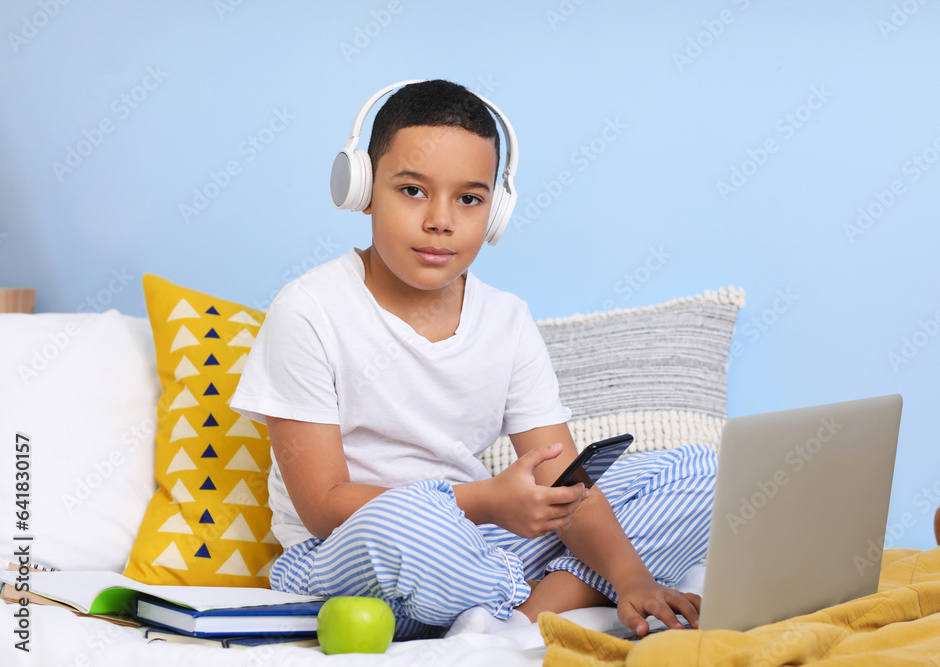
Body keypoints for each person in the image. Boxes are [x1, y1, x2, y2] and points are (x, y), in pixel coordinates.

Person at [230, 79, 717, 640]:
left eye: (469, 199)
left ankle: (521, 607)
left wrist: (632, 578)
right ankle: (536, 599)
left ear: (497, 208)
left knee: (698, 473)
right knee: (409, 527)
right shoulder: (310, 310)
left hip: (479, 542)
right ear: (361, 187)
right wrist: (487, 500)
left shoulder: (506, 319)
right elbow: (322, 506)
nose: (441, 220)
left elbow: (562, 481)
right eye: (413, 191)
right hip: (352, 553)